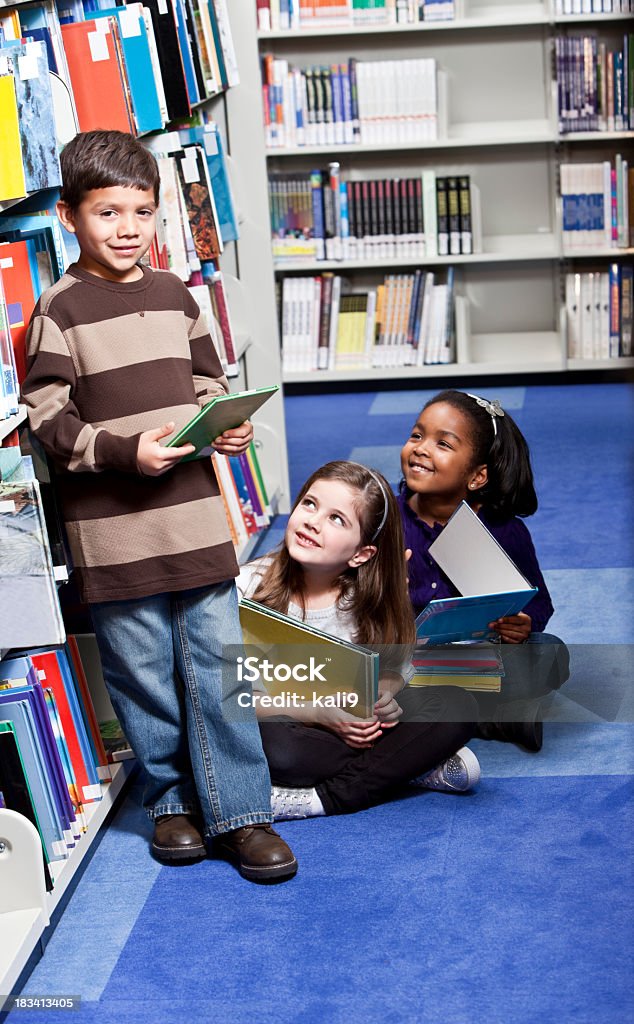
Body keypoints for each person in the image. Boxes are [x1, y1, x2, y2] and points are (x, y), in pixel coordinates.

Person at [21, 129, 297, 883]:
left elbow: (209, 383)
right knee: (141, 671)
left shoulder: (180, 295)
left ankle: (242, 812)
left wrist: (226, 422)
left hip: (197, 522)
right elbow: (47, 423)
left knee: (216, 666)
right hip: (113, 537)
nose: (127, 229)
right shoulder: (59, 312)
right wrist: (123, 453)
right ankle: (172, 800)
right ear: (70, 217)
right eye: (107, 213)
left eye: (141, 212)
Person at [237, 460, 480, 821]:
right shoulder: (245, 588)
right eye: (309, 504)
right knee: (277, 749)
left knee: (461, 705)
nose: (313, 522)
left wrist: (384, 691)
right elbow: (229, 699)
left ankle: (323, 797)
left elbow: (400, 666)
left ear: (361, 554)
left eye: (337, 519)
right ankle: (400, 769)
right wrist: (316, 712)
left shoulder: (367, 598)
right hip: (288, 728)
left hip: (350, 733)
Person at [399, 389, 569, 752]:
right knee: (363, 674)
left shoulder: (504, 530)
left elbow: (539, 604)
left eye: (443, 444)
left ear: (477, 477)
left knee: (551, 652)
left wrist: (523, 623)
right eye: (417, 435)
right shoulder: (383, 518)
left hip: (473, 656)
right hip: (403, 659)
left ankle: (464, 714)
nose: (421, 448)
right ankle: (495, 720)